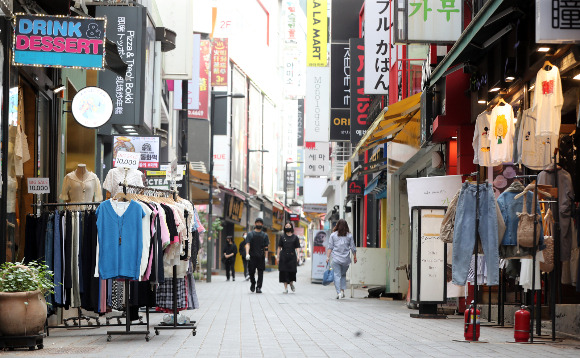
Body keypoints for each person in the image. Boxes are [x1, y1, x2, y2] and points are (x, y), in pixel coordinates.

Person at [326, 219, 357, 299]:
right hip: (345, 260)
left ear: (337, 226)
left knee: (337, 275)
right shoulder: (349, 236)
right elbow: (353, 247)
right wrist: (355, 256)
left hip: (336, 259)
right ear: (346, 226)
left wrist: (328, 257)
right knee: (343, 275)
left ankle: (338, 292)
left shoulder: (333, 235)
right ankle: (342, 291)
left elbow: (330, 247)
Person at [245, 218, 269, 293]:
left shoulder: (265, 235)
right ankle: (253, 283)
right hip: (252, 256)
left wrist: (266, 257)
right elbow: (247, 244)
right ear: (255, 224)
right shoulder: (250, 234)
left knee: (260, 272)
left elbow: (266, 247)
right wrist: (247, 253)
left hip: (261, 257)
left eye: (260, 223)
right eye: (257, 223)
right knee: (251, 272)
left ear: (262, 224)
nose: (259, 224)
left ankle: (258, 287)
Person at [277, 222, 301, 294]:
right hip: (283, 256)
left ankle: (291, 284)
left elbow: (297, 248)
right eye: (286, 226)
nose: (287, 227)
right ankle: (285, 288)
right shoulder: (282, 237)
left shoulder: (295, 237)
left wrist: (298, 256)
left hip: (292, 256)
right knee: (284, 272)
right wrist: (278, 256)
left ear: (291, 227)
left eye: (289, 226)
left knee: (292, 272)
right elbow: (279, 247)